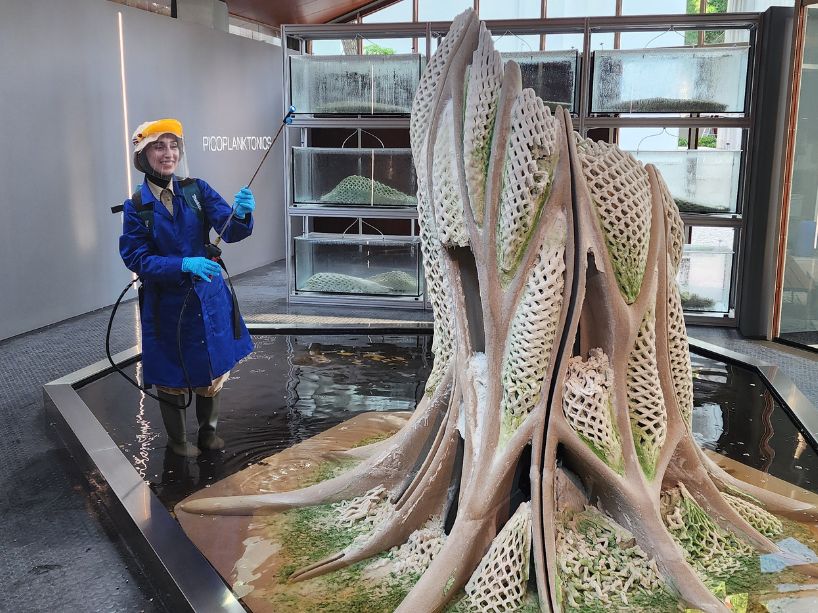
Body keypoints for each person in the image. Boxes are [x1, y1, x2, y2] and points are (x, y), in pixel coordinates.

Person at [119, 118, 255, 457]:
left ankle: (208, 433)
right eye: (158, 146)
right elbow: (136, 257)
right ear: (143, 155)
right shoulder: (136, 206)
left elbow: (232, 230)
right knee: (171, 371)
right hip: (165, 301)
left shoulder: (198, 190)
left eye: (173, 145)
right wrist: (182, 264)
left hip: (207, 296)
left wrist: (241, 215)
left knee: (212, 365)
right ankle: (178, 442)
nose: (168, 153)